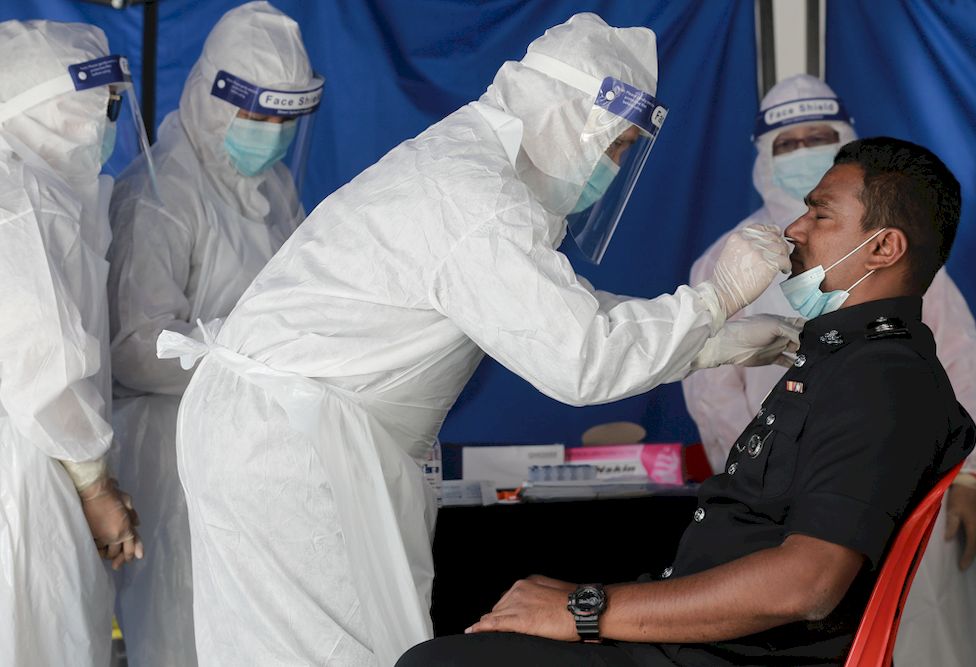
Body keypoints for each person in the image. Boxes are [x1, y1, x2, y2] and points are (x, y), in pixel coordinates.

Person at [154, 13, 801, 667]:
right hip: (287, 447)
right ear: (560, 114)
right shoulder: (477, 198)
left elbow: (555, 309)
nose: (611, 165)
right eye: (611, 144)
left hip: (298, 434)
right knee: (324, 654)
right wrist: (714, 300)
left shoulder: (480, 171)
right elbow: (579, 356)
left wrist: (706, 342)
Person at [398, 137, 976, 667]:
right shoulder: (843, 358)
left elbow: (807, 584)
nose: (794, 229)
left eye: (820, 213)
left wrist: (586, 609)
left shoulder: (881, 379)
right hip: (695, 643)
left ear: (884, 247)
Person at [681, 74, 976, 665]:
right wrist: (770, 485)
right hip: (780, 515)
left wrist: (967, 477)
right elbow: (711, 397)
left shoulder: (898, 262)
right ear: (761, 156)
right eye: (787, 142)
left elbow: (959, 358)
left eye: (819, 136)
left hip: (890, 490)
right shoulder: (728, 264)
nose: (804, 152)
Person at [106, 2, 322, 666]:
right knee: (183, 635)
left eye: (284, 120)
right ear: (211, 98)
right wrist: (250, 349)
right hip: (174, 458)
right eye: (256, 116)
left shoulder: (272, 184)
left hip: (253, 451)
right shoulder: (162, 192)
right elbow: (135, 349)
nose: (271, 133)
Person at [0, 19, 145, 667]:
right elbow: (44, 358)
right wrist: (94, 485)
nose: (104, 123)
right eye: (94, 105)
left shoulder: (39, 192)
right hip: (30, 468)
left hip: (33, 453)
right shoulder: (24, 202)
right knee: (40, 634)